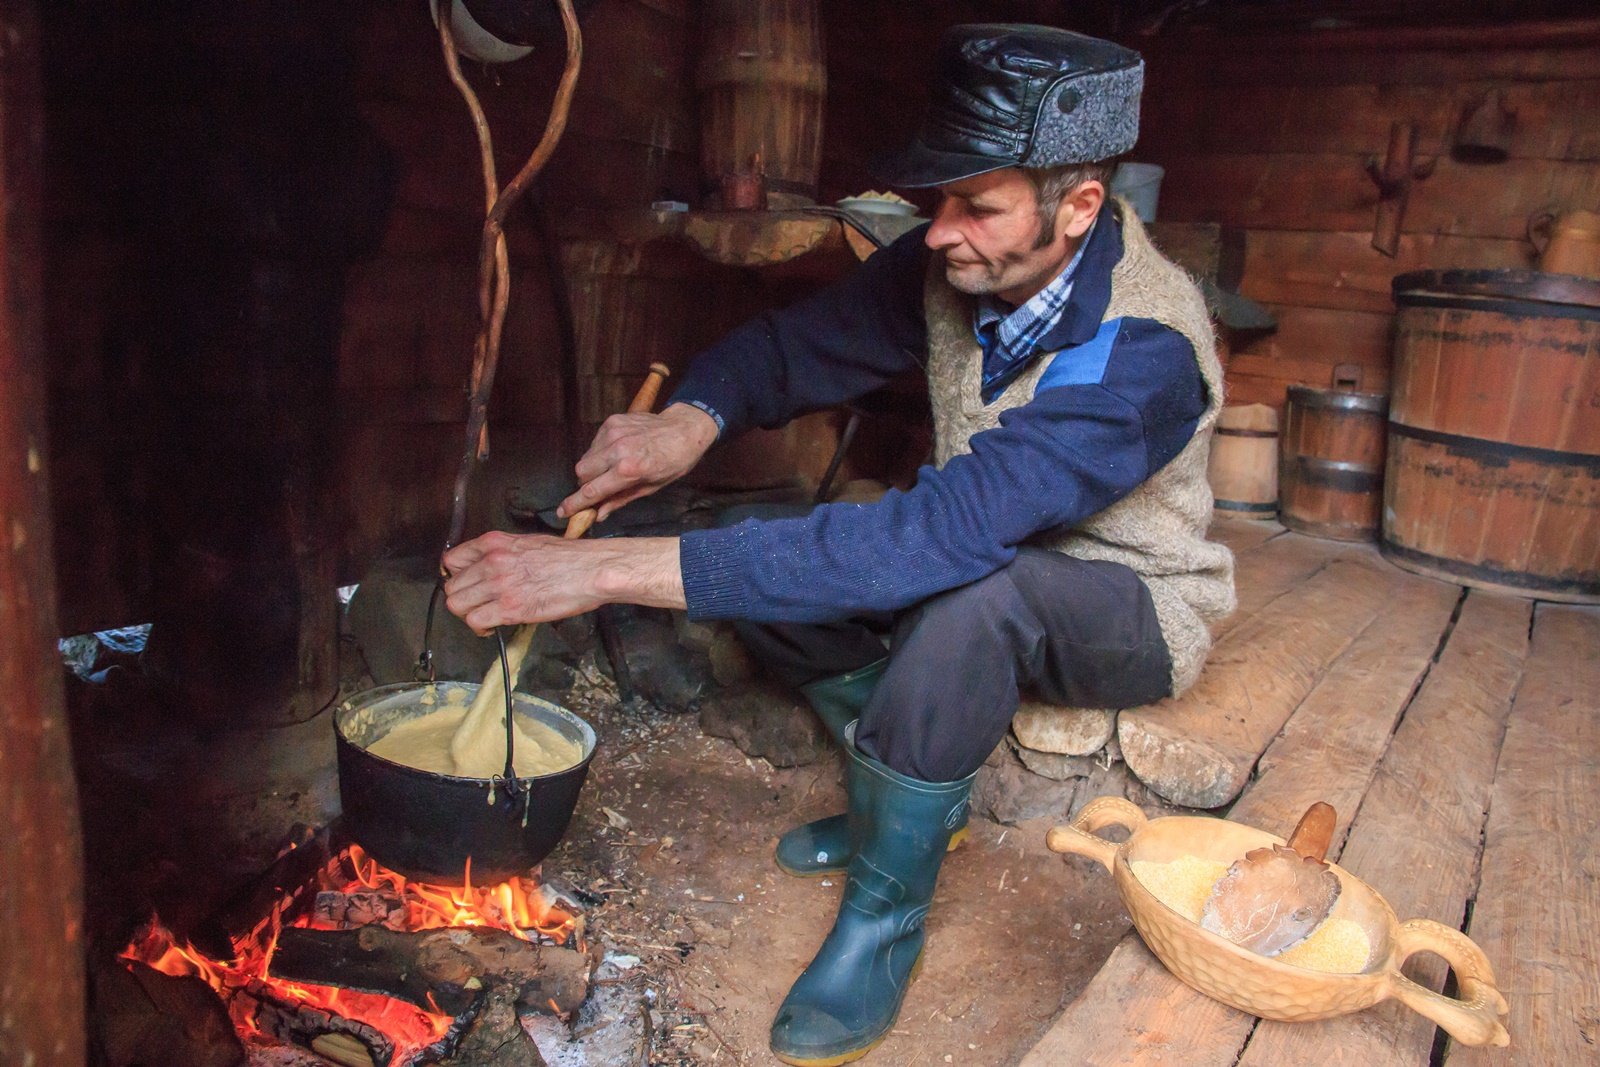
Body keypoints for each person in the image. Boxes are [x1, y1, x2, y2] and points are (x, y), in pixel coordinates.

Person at [443, 24, 1235, 1066]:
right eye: (936, 198)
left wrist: (595, 568)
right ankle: (897, 804)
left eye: (975, 206)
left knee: (970, 598)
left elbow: (945, 534)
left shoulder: (1143, 349)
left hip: (1127, 599)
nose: (939, 232)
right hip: (988, 549)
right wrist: (688, 424)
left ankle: (883, 913)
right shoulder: (952, 264)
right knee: (750, 543)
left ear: (1078, 206)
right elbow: (790, 349)